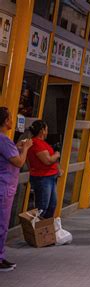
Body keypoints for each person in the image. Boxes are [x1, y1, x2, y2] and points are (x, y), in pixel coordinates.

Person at [0, 107, 32, 272]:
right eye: (11, 118)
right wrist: (25, 149)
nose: (12, 121)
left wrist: (18, 146)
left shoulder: (6, 141)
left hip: (5, 185)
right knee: (2, 224)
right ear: (6, 121)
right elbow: (19, 162)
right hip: (4, 186)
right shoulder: (3, 140)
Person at [27, 120, 62, 219]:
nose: (47, 132)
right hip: (43, 178)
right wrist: (56, 154)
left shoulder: (41, 143)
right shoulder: (37, 143)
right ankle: (37, 230)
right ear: (42, 131)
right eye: (46, 130)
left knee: (51, 205)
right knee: (42, 208)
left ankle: (45, 229)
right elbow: (47, 160)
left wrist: (57, 169)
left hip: (49, 177)